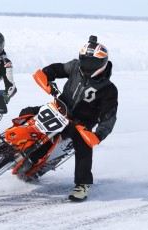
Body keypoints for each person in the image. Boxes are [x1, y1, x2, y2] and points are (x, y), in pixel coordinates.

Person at [21, 35, 118, 201]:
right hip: (60, 108)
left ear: (102, 63)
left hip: (81, 123)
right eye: (85, 61)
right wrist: (47, 77)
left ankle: (82, 185)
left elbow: (108, 116)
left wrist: (99, 134)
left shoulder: (108, 89)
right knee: (27, 112)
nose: (88, 66)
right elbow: (57, 69)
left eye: (93, 63)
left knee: (83, 146)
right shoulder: (74, 66)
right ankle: (11, 145)